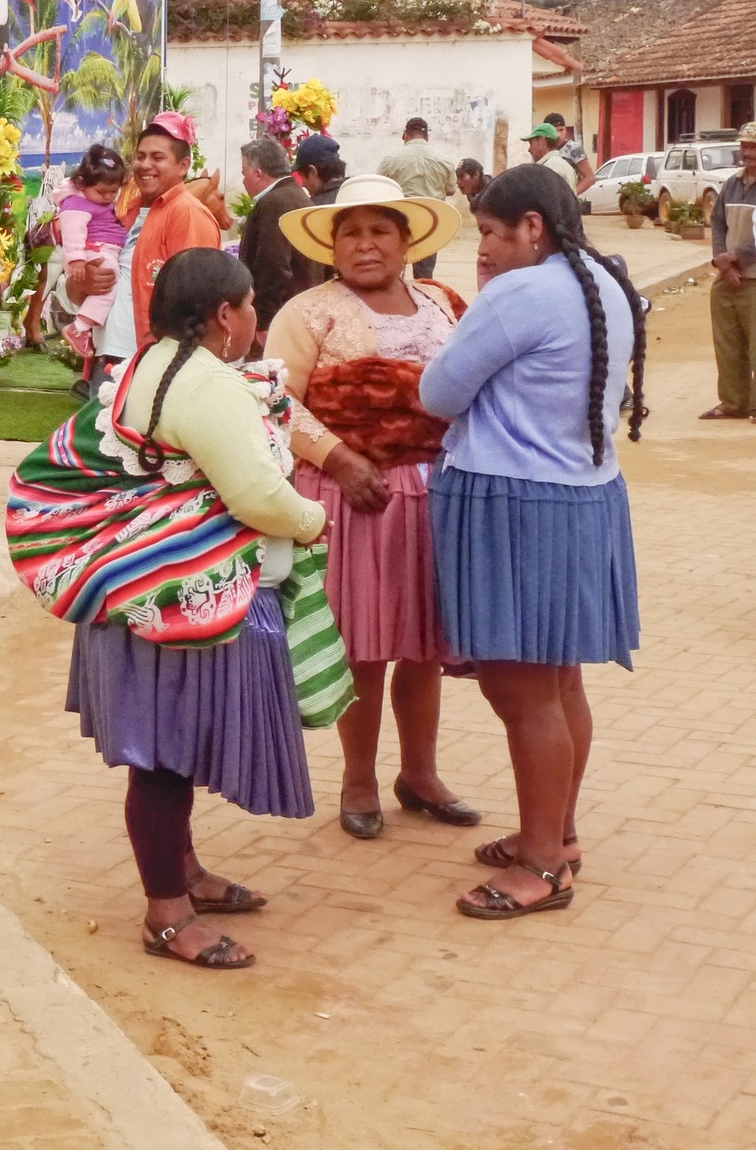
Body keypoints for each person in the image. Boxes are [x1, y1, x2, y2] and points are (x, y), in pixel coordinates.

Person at [65, 248, 327, 967]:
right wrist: (313, 521)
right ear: (223, 316)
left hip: (141, 591)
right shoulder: (207, 386)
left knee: (168, 749)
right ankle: (167, 915)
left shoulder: (143, 366)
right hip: (178, 602)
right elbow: (257, 496)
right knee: (163, 757)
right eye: (249, 306)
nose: (254, 319)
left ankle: (183, 874)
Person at [420, 165, 647, 919]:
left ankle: (543, 866)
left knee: (521, 692)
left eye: (489, 232)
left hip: (514, 502)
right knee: (559, 683)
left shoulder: (522, 292)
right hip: (582, 497)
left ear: (532, 229)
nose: (482, 248)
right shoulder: (603, 283)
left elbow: (439, 393)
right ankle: (557, 833)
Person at [267, 174, 480, 839]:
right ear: (331, 246)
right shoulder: (306, 314)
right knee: (360, 645)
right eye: (350, 232)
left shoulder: (444, 303)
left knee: (421, 644)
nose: (365, 245)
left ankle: (420, 772)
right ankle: (357, 778)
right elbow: (274, 400)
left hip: (433, 497)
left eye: (379, 230)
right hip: (351, 499)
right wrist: (338, 457)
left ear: (407, 239)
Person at [58, 111, 220, 396]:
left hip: (152, 363)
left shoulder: (188, 213)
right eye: (140, 156)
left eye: (157, 157)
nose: (145, 165)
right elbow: (79, 290)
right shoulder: (125, 211)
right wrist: (80, 283)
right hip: (109, 357)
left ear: (183, 166)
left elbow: (198, 300)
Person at [239, 139, 322, 346]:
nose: (243, 181)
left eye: (244, 174)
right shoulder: (297, 196)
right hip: (303, 312)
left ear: (258, 173)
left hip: (283, 319)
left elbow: (273, 265)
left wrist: (266, 321)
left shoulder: (274, 203)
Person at [701, 121, 756, 421]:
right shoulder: (732, 183)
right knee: (728, 344)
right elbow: (718, 222)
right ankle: (734, 403)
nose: (747, 152)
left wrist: (735, 258)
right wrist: (721, 260)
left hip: (753, 277)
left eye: (753, 147)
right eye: (744, 146)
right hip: (728, 277)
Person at [55, 144, 128, 360]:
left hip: (103, 250)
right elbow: (72, 232)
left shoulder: (93, 201)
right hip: (93, 252)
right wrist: (76, 260)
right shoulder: (77, 203)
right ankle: (79, 327)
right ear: (81, 183)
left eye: (113, 192)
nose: (107, 197)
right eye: (101, 192)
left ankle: (84, 327)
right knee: (109, 279)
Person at [377, 117, 456, 279]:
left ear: (405, 135)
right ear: (427, 137)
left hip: (398, 221)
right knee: (425, 275)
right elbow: (451, 190)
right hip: (430, 220)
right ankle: (423, 300)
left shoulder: (391, 160)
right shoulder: (444, 161)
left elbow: (378, 186)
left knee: (395, 270)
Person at [544, 112, 596, 196]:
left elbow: (590, 178)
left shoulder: (573, 149)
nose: (558, 135)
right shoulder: (543, 149)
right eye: (554, 131)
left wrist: (571, 195)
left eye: (561, 130)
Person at [521, 123, 577, 194]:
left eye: (531, 143)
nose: (529, 149)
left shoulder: (549, 167)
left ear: (541, 141)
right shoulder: (566, 166)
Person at [295, 134, 347, 205]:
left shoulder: (313, 209)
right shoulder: (359, 194)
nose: (303, 184)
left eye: (301, 175)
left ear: (312, 171)